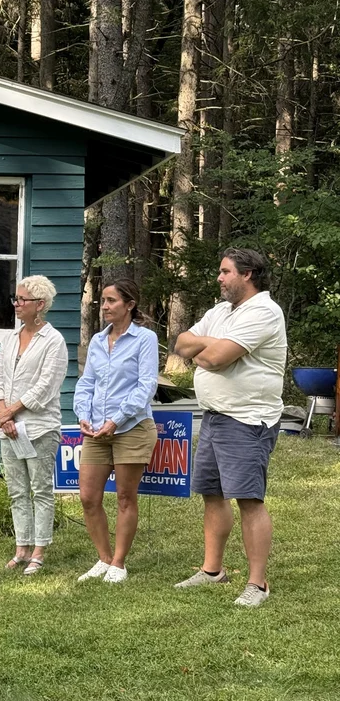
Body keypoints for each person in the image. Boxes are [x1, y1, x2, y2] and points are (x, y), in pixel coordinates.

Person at [172, 248, 286, 607]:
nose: (219, 278)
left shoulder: (265, 311)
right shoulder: (222, 311)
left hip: (248, 419)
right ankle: (212, 571)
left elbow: (214, 359)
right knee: (212, 494)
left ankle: (257, 584)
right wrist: (209, 347)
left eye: (225, 272)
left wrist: (207, 351)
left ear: (248, 274)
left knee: (249, 499)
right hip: (215, 416)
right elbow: (182, 343)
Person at [73, 279, 158, 584]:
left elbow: (146, 386)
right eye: (103, 301)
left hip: (131, 428)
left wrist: (117, 419)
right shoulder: (97, 340)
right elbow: (86, 383)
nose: (104, 307)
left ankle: (119, 563)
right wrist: (83, 414)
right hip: (96, 431)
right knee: (88, 497)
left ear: (129, 305)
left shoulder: (145, 339)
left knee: (125, 496)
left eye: (111, 301)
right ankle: (103, 558)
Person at [0, 276, 69, 575]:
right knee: (16, 490)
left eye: (22, 299)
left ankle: (39, 550)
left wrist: (12, 411)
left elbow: (46, 387)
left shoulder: (54, 341)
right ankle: (21, 547)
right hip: (8, 426)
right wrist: (4, 412)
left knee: (41, 490)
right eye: (16, 298)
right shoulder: (10, 338)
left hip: (39, 427)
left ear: (40, 305)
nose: (16, 304)